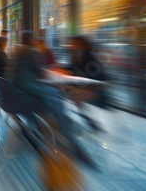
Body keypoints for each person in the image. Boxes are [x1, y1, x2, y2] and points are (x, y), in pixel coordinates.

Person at [8, 31, 95, 166]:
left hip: (15, 92)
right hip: (26, 92)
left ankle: (61, 126)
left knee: (54, 93)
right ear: (31, 39)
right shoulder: (30, 51)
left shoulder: (16, 51)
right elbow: (39, 72)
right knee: (56, 96)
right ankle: (68, 136)